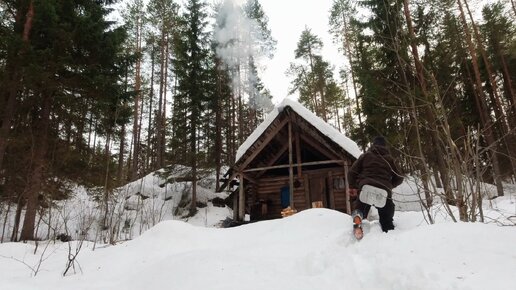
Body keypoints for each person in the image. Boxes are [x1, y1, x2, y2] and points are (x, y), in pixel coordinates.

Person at [348, 136, 404, 237]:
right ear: (385, 146)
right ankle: (389, 233)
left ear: (373, 145)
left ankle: (357, 226)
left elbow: (352, 172)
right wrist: (389, 186)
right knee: (386, 217)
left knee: (359, 211)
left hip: (366, 187)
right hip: (383, 191)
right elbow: (400, 177)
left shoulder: (365, 156)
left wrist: (353, 187)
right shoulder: (390, 159)